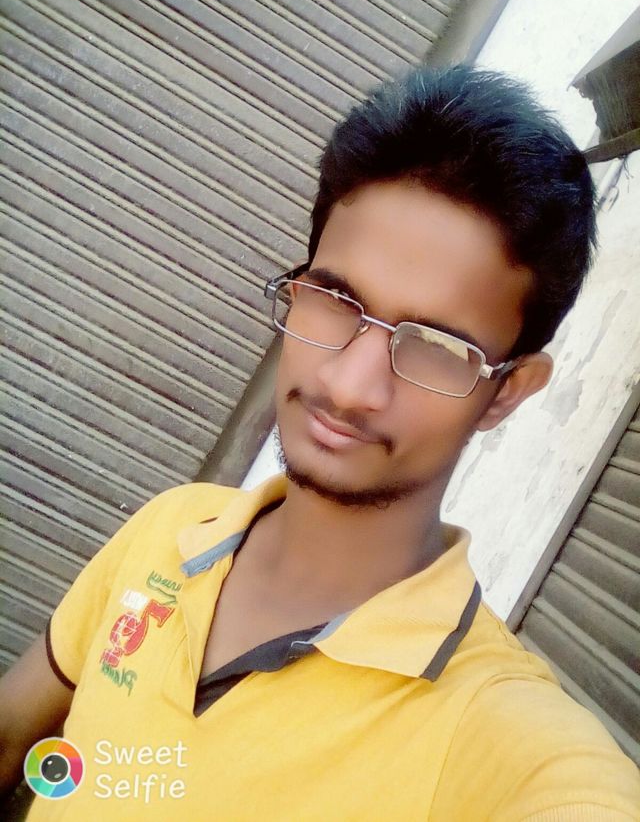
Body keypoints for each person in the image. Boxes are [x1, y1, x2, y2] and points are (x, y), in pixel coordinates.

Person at [1, 65, 639, 821]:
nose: (349, 384)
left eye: (437, 346)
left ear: (506, 391)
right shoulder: (172, 528)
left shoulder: (501, 738)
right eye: (337, 299)